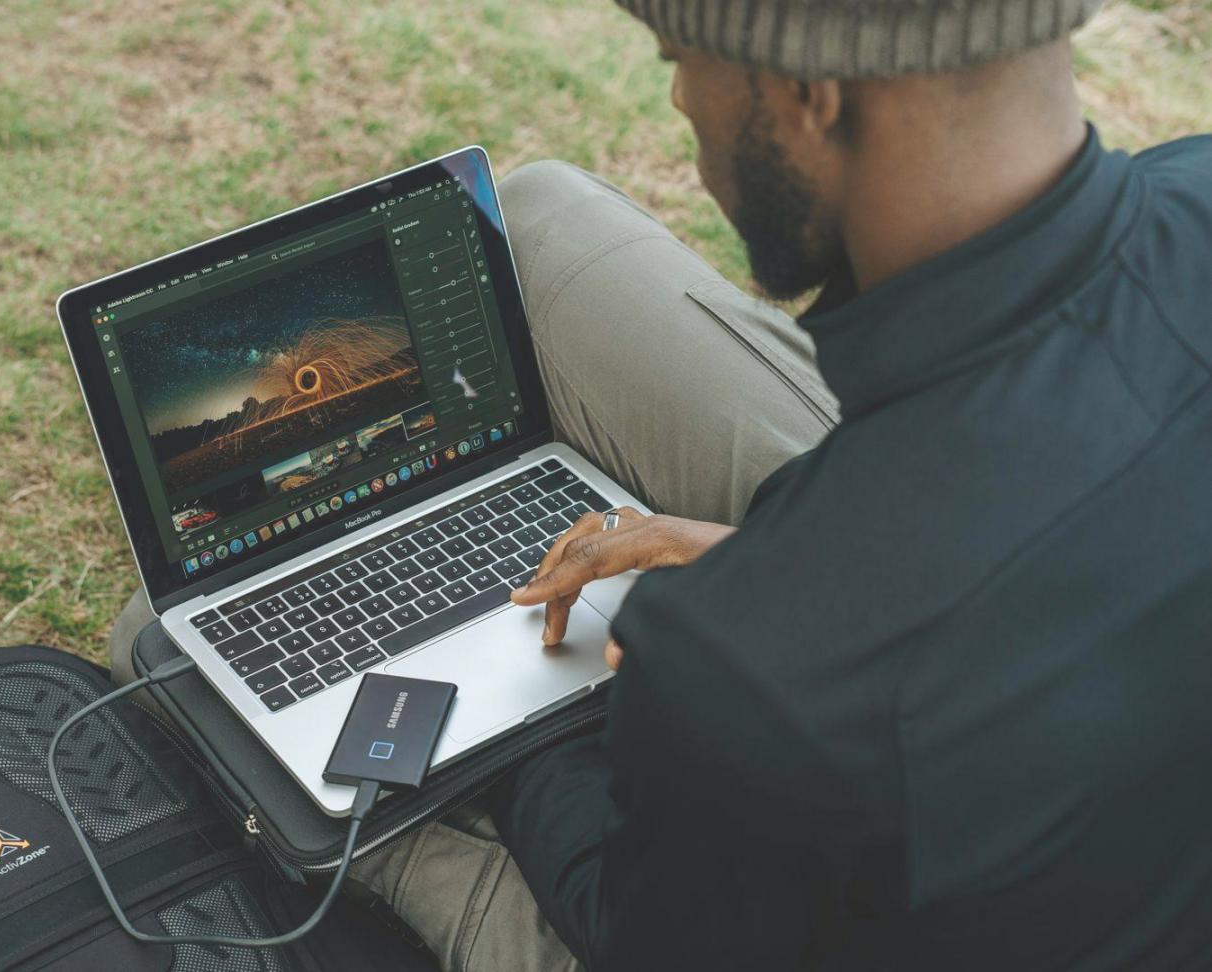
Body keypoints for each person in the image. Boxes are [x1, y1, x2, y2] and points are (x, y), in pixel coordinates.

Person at [110, 0, 1212, 965]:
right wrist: (760, 568)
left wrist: (507, 736)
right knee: (530, 213)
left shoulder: (757, 678)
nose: (681, 99)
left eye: (681, 56)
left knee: (158, 653)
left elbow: (634, 928)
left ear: (809, 92)